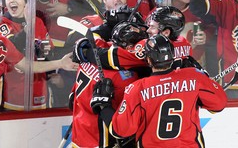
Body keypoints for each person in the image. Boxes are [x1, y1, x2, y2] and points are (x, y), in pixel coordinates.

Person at [90, 34, 227, 147]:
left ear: (148, 59)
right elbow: (219, 105)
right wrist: (201, 80)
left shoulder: (137, 89)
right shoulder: (194, 76)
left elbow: (121, 130)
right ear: (173, 56)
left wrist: (104, 107)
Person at [69, 21, 147, 148]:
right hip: (100, 138)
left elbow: (72, 98)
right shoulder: (127, 79)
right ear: (129, 49)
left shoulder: (92, 51)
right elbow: (123, 123)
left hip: (79, 130)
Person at [0, 0, 53, 110]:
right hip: (13, 90)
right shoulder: (2, 23)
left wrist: (45, 51)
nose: (12, 1)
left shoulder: (37, 21)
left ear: (26, 3)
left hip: (39, 88)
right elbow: (12, 46)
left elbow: (48, 51)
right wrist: (28, 28)